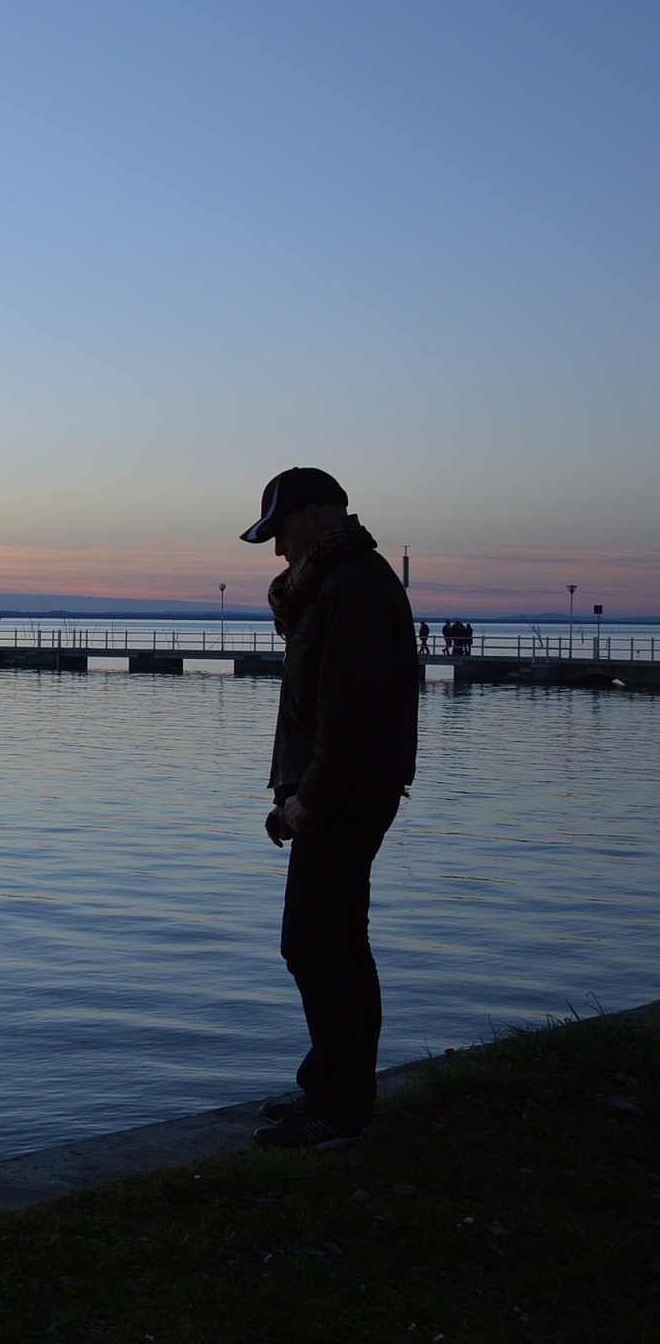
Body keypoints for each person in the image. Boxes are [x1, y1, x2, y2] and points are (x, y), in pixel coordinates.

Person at [239, 467, 419, 1150]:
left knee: (318, 940)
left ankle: (341, 1103)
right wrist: (291, 792)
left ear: (318, 515)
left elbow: (349, 712)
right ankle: (333, 1089)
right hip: (332, 790)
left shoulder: (357, 586)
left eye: (282, 531)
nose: (279, 550)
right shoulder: (332, 585)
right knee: (331, 938)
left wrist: (311, 798)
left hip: (346, 793)